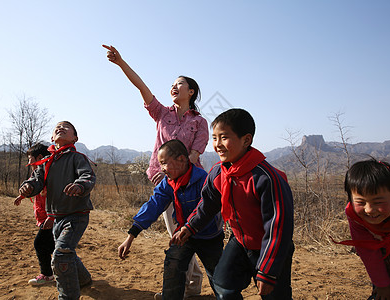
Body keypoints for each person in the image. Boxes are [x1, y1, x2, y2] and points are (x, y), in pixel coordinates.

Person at [103, 44, 208, 297]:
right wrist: (121, 63)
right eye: (172, 84)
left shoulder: (199, 122)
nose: (174, 86)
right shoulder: (161, 113)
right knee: (176, 234)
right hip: (165, 183)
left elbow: (194, 156)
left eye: (180, 83)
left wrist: (177, 177)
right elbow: (142, 87)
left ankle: (190, 285)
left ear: (191, 92)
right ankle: (191, 285)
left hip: (190, 185)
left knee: (188, 233)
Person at [171, 108, 295, 299]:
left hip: (271, 247)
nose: (217, 145)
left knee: (274, 295)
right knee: (223, 285)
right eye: (214, 138)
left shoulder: (265, 178)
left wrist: (268, 270)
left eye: (224, 137)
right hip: (240, 241)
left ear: (246, 140)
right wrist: (190, 226)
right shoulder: (218, 173)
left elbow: (278, 226)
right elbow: (208, 205)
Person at [118, 139, 224, 300]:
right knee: (173, 264)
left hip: (209, 236)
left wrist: (189, 227)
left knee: (219, 276)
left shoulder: (203, 179)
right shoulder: (168, 183)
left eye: (164, 163)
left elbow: (207, 210)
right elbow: (154, 204)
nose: (162, 169)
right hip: (183, 235)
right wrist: (131, 235)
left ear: (182, 159)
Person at [18, 121, 96, 300]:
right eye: (57, 128)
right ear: (52, 138)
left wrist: (79, 185)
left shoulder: (78, 158)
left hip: (76, 216)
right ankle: (84, 280)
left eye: (66, 127)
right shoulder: (47, 162)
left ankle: (67, 297)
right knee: (65, 251)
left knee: (61, 254)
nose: (61, 128)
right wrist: (28, 186)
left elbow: (88, 176)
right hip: (56, 218)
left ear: (75, 138)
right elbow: (36, 181)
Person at [333, 160, 390, 300]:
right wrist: (382, 285)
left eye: (378, 202)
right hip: (385, 256)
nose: (369, 210)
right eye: (361, 202)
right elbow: (367, 250)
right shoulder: (355, 217)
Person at [14, 143, 55, 286]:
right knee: (54, 247)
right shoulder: (36, 175)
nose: (28, 163)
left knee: (40, 244)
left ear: (39, 158)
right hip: (44, 218)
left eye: (30, 159)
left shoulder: (50, 173)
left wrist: (52, 217)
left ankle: (47, 275)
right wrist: (22, 196)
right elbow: (33, 188)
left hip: (51, 219)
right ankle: (72, 272)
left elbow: (55, 197)